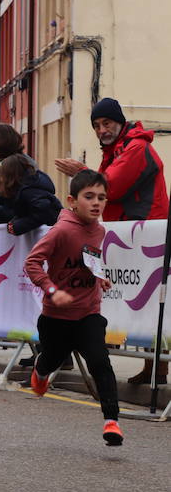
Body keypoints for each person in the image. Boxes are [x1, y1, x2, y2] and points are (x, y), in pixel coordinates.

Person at [56, 98, 170, 385]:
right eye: (96, 125)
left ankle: (156, 368)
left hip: (147, 238)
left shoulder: (136, 148)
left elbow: (111, 187)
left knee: (150, 302)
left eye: (106, 123)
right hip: (133, 236)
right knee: (140, 301)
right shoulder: (117, 150)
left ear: (119, 122)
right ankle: (152, 367)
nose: (101, 129)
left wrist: (82, 172)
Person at [24, 169, 122, 446]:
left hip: (88, 312)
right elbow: (32, 263)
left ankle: (111, 421)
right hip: (56, 316)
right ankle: (41, 371)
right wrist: (52, 290)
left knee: (100, 362)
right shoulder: (61, 231)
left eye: (102, 198)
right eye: (89, 196)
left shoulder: (100, 230)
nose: (96, 203)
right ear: (72, 201)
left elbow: (89, 261)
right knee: (52, 359)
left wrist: (100, 277)